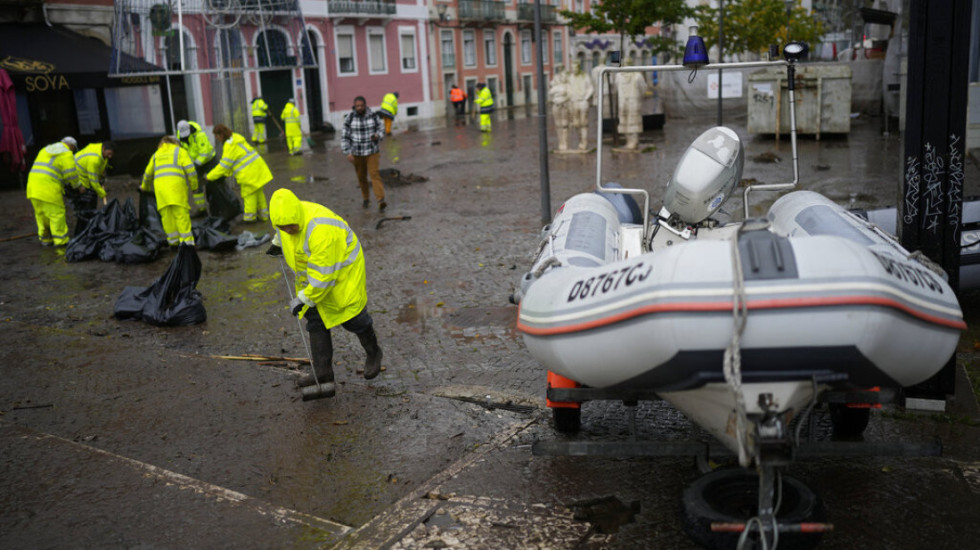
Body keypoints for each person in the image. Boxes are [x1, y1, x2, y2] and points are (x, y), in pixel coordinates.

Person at [266, 188, 383, 395]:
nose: (289, 230)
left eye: (291, 226)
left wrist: (304, 298)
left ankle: (374, 352)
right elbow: (282, 232)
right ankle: (323, 372)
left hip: (341, 272)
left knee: (352, 317)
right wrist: (277, 243)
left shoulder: (320, 229)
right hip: (316, 276)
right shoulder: (285, 220)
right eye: (283, 228)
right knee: (316, 320)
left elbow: (325, 275)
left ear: (297, 217)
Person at [208, 124, 272, 223]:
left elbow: (224, 166)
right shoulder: (235, 137)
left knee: (248, 194)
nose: (217, 138)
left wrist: (209, 176)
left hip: (248, 173)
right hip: (257, 168)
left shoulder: (229, 146)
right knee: (258, 192)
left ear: (221, 135)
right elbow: (234, 160)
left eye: (216, 136)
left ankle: (250, 218)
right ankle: (264, 216)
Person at [140, 136, 197, 246]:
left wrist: (144, 187)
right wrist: (194, 186)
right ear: (175, 143)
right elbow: (191, 170)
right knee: (181, 216)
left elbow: (147, 174)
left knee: (167, 218)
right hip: (176, 190)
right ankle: (188, 244)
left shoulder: (156, 155)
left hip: (161, 192)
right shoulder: (180, 151)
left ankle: (174, 243)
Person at [26, 136, 78, 246]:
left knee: (41, 215)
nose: (72, 151)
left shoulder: (45, 150)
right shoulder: (66, 153)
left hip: (32, 188)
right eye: (73, 149)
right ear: (71, 146)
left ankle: (46, 239)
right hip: (49, 190)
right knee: (56, 214)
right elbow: (71, 174)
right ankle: (61, 241)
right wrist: (78, 186)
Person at [341, 96, 387, 211]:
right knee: (361, 177)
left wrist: (377, 135)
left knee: (374, 174)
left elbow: (382, 129)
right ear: (354, 106)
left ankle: (380, 200)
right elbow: (345, 136)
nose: (360, 108)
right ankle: (366, 198)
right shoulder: (349, 118)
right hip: (357, 153)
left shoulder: (373, 116)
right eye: (357, 106)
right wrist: (348, 152)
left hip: (372, 151)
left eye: (361, 105)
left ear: (365, 105)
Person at [176, 120, 212, 213]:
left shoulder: (199, 135)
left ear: (190, 129)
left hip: (209, 161)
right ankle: (201, 209)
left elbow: (205, 152)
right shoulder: (180, 137)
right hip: (195, 164)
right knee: (196, 186)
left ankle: (217, 207)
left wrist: (196, 164)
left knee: (214, 183)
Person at [73, 140, 114, 207]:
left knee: (91, 195)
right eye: (109, 154)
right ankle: (85, 212)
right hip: (78, 173)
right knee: (85, 195)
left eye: (111, 154)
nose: (110, 157)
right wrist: (102, 193)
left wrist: (101, 172)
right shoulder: (94, 160)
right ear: (103, 149)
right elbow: (93, 180)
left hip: (84, 168)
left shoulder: (101, 150)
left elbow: (103, 162)